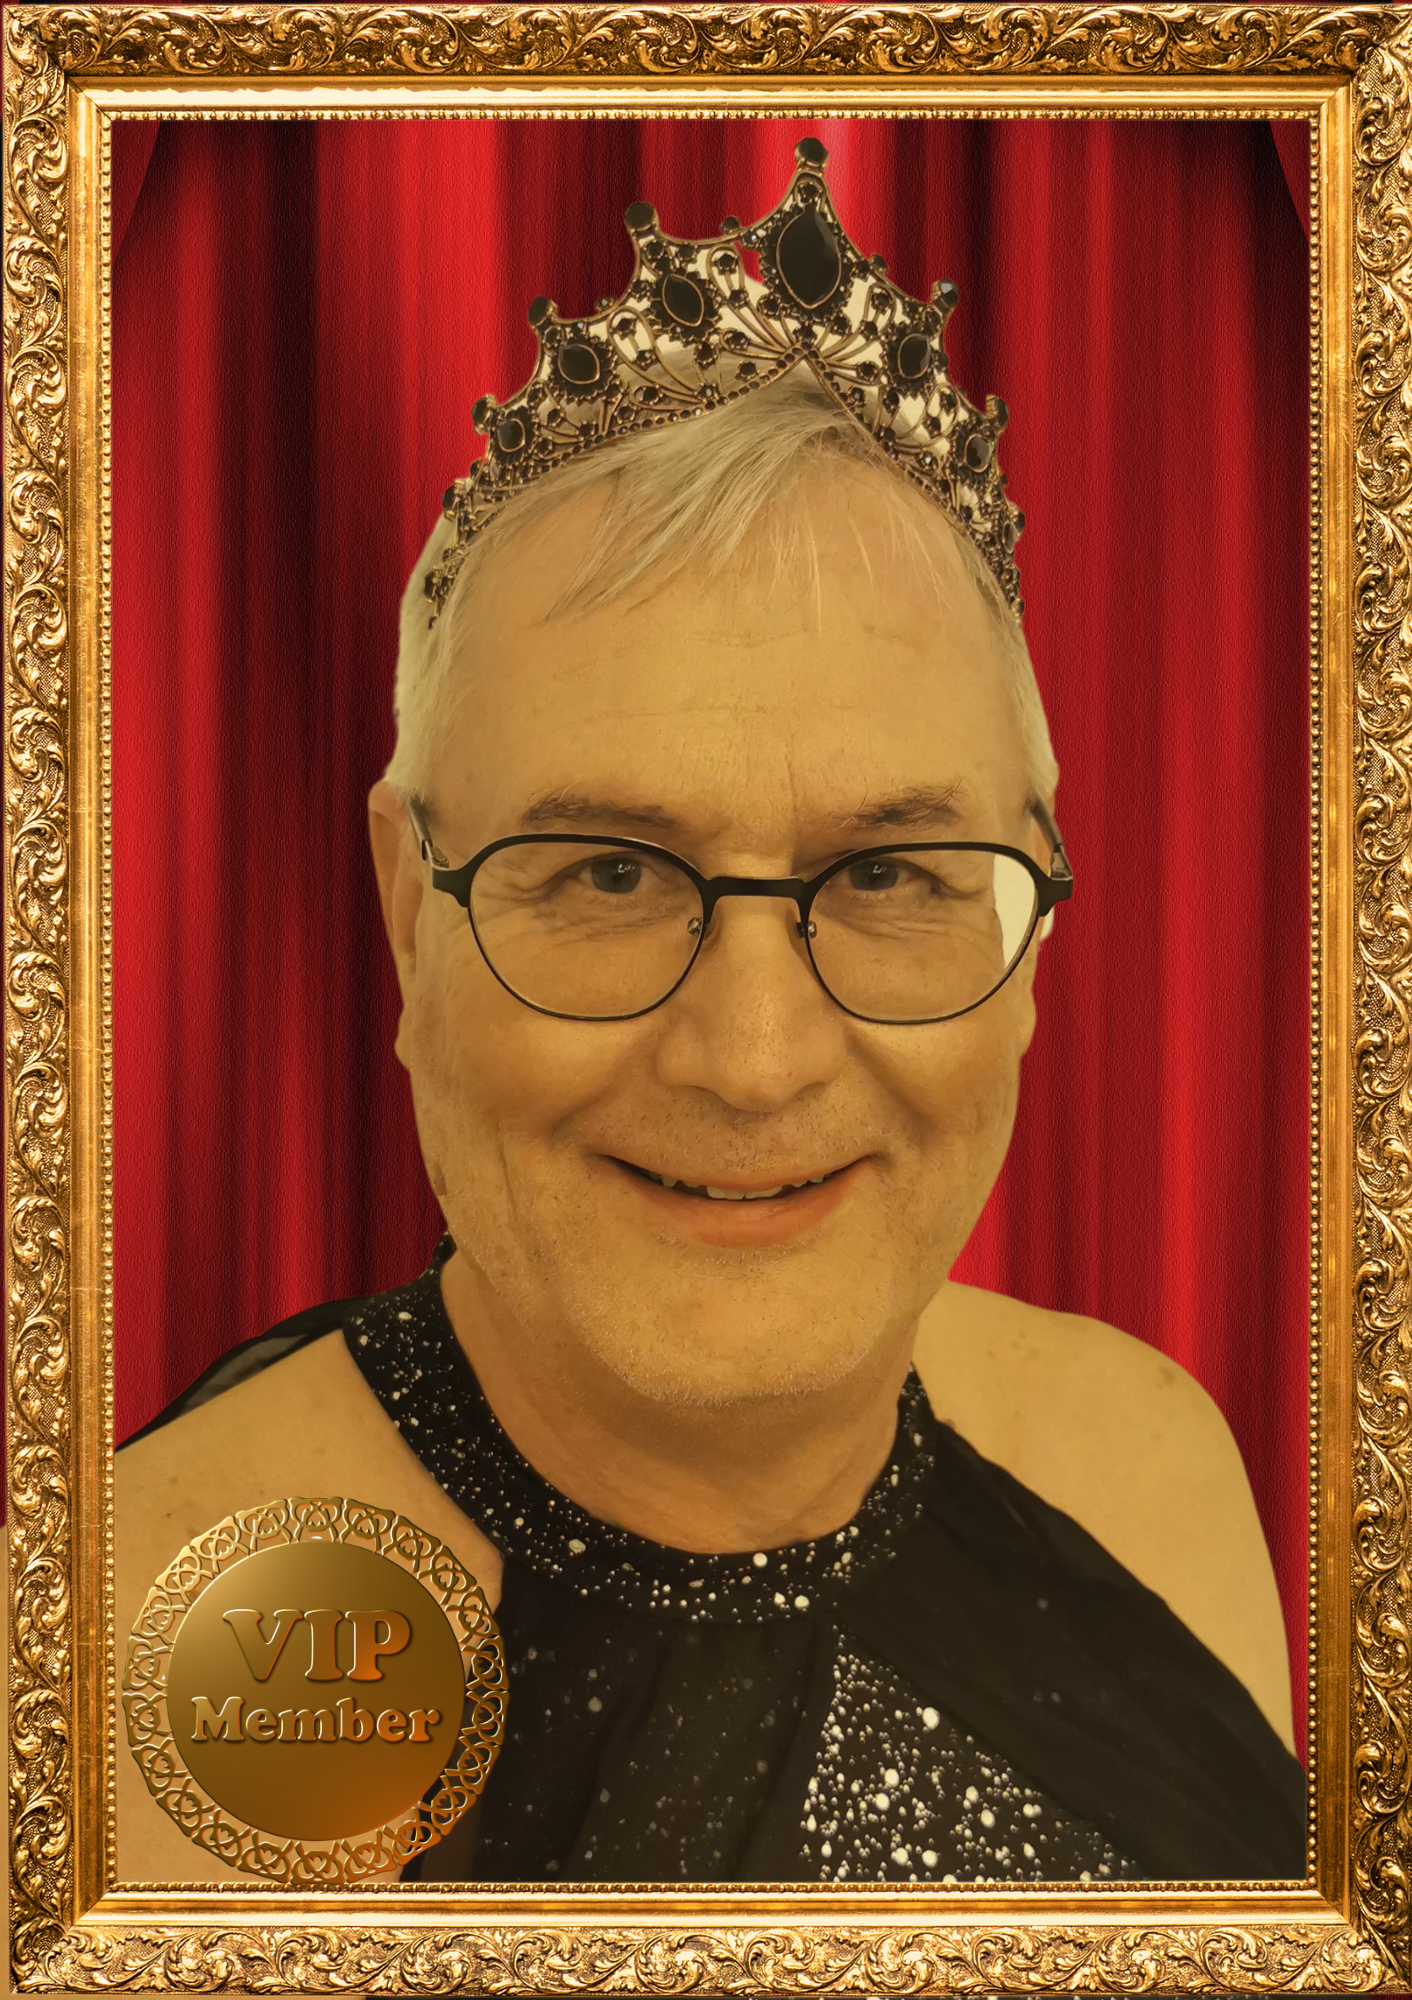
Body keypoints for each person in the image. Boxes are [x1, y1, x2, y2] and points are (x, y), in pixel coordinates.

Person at [116, 140, 1304, 1885]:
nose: (754, 1065)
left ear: (1038, 929)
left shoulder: (1159, 1457)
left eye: (891, 874)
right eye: (608, 874)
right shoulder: (99, 1703)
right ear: (408, 921)